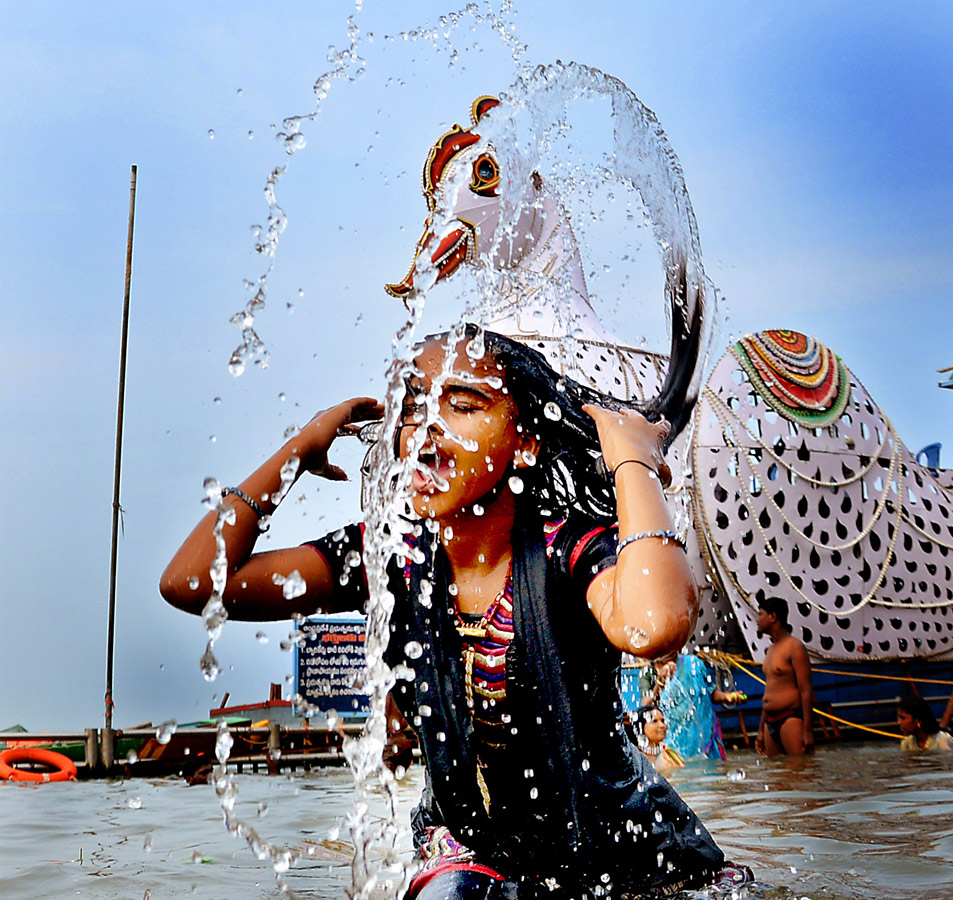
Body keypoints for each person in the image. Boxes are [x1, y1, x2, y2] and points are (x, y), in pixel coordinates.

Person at [161, 329, 746, 899]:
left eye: (463, 403)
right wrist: (301, 448)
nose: (426, 430)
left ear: (525, 443)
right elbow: (193, 584)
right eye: (413, 407)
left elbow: (656, 623)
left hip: (625, 857)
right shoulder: (391, 556)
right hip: (472, 855)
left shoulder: (566, 547)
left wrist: (633, 464)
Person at [753, 597, 815, 756]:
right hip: (769, 721)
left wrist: (807, 731)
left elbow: (806, 690)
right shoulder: (771, 650)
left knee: (800, 773)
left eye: (761, 615)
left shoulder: (794, 647)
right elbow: (770, 691)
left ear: (773, 617)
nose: (757, 620)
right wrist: (760, 730)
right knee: (776, 775)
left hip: (791, 718)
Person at [653, 653, 744, 760]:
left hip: (706, 736)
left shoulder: (693, 663)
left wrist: (726, 697)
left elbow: (708, 691)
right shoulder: (648, 672)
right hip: (674, 741)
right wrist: (660, 682)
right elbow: (647, 706)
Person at [638, 703, 685, 772]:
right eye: (654, 721)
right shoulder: (632, 755)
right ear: (641, 726)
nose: (662, 725)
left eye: (662, 721)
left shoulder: (669, 754)